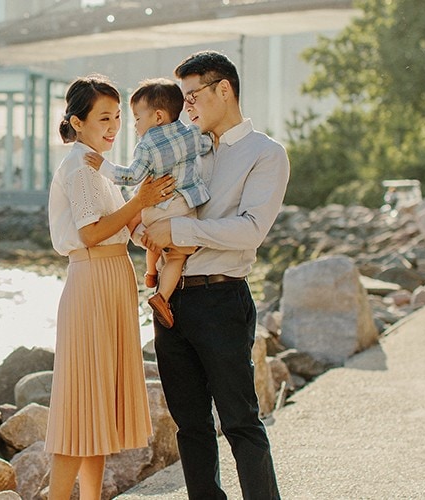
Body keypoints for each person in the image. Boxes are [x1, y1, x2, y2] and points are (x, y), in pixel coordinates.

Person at [141, 50, 289, 499]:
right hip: (172, 302)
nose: (187, 108)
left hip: (222, 300)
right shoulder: (186, 146)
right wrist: (146, 227)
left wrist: (177, 230)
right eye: (184, 99)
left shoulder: (266, 154)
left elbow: (251, 229)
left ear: (224, 89)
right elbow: (156, 213)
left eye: (193, 96)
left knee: (240, 421)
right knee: (190, 427)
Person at [45, 74, 175, 500]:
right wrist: (140, 201)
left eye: (118, 116)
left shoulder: (99, 168)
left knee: (97, 412)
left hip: (111, 280)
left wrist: (149, 231)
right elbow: (91, 233)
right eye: (104, 117)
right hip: (92, 281)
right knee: (80, 408)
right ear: (77, 122)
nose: (114, 126)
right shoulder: (81, 167)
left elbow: (122, 228)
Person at [85, 78, 211, 328]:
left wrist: (105, 167)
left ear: (158, 116)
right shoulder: (191, 134)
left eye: (137, 119)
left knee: (150, 235)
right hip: (184, 208)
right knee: (176, 256)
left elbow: (132, 176)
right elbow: (208, 145)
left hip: (157, 207)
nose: (134, 126)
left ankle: (151, 273)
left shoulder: (147, 145)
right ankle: (162, 296)